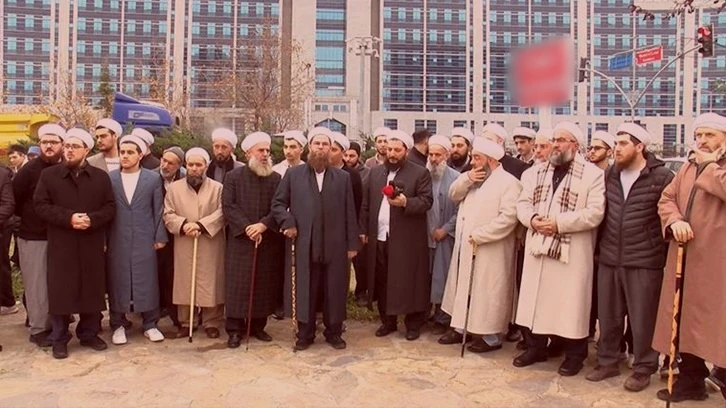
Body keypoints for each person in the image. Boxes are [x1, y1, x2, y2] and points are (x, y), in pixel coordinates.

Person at [585, 123, 674, 392]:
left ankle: (644, 368)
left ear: (639, 147)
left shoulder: (662, 177)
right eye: (616, 143)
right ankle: (608, 361)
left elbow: (669, 211)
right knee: (608, 316)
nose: (617, 148)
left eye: (623, 143)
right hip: (610, 257)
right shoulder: (610, 174)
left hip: (644, 260)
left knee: (643, 319)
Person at [513, 121, 605, 376]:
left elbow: (594, 213)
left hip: (571, 251)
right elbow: (522, 204)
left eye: (561, 140)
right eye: (554, 140)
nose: (555, 145)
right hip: (538, 246)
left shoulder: (593, 175)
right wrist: (533, 220)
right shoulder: (535, 172)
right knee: (537, 301)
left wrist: (558, 223)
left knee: (570, 306)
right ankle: (536, 348)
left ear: (575, 145)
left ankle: (575, 356)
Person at [654, 112, 726, 403]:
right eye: (699, 135)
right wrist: (673, 221)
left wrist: (709, 167)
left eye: (710, 135)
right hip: (685, 257)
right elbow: (667, 198)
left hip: (718, 261)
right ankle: (691, 381)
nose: (702, 141)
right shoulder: (687, 167)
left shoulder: (711, 166)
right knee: (684, 320)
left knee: (718, 323)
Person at [271, 127, 358, 351]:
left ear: (330, 148)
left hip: (335, 243)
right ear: (310, 147)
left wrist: (352, 244)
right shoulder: (294, 175)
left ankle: (334, 332)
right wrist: (288, 222)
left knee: (334, 289)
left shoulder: (342, 178)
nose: (321, 148)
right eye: (317, 143)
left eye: (325, 144)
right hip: (304, 242)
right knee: (305, 288)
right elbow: (278, 204)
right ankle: (305, 333)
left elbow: (350, 211)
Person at [34, 128, 116, 359]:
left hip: (91, 242)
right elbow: (40, 205)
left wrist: (92, 220)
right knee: (61, 291)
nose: (69, 151)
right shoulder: (49, 176)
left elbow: (110, 207)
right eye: (67, 146)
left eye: (74, 147)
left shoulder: (100, 177)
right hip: (62, 242)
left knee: (91, 289)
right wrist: (69, 218)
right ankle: (59, 338)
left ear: (86, 150)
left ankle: (89, 333)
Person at [440, 137, 521, 352]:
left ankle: (491, 336)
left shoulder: (509, 183)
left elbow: (509, 218)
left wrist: (481, 234)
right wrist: (467, 179)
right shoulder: (472, 177)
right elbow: (453, 195)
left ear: (491, 160)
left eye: (477, 158)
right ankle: (461, 328)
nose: (473, 162)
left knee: (489, 291)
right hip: (467, 245)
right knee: (464, 287)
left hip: (491, 247)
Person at [359, 130, 433, 341]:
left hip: (407, 239)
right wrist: (363, 230)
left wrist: (406, 202)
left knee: (409, 280)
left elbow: (427, 201)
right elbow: (365, 204)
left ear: (406, 151)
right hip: (380, 237)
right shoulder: (375, 173)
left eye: (396, 150)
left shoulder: (420, 173)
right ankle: (388, 321)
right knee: (382, 280)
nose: (391, 154)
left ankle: (413, 324)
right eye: (389, 149)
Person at [223, 132, 284, 348]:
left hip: (266, 239)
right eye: (261, 150)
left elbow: (279, 206)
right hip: (241, 240)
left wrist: (263, 225)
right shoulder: (233, 177)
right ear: (248, 153)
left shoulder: (276, 178)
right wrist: (247, 227)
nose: (265, 154)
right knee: (238, 285)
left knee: (263, 284)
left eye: (267, 150)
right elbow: (228, 205)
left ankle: (258, 326)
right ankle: (234, 330)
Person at [107, 135, 168, 345]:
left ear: (140, 155)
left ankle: (150, 323)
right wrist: (104, 239)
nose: (125, 156)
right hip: (117, 237)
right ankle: (118, 324)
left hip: (145, 236)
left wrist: (160, 236)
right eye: (122, 152)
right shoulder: (111, 178)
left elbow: (158, 209)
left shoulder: (152, 178)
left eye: (130, 152)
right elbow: (106, 209)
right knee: (118, 279)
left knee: (147, 279)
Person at [163, 148, 226, 339]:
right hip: (185, 240)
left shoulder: (217, 188)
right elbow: (168, 213)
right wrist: (184, 225)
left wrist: (201, 225)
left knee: (211, 279)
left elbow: (222, 212)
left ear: (206, 166)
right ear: (185, 166)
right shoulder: (174, 189)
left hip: (210, 240)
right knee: (184, 280)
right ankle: (186, 322)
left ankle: (211, 322)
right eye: (190, 164)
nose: (194, 168)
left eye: (198, 165)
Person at [12, 124, 65, 346]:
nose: (49, 146)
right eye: (44, 142)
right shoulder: (29, 171)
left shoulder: (66, 167)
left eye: (53, 142)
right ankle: (38, 329)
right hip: (33, 236)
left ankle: (57, 324)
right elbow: (15, 199)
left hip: (61, 235)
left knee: (57, 283)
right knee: (37, 286)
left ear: (62, 144)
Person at [424, 135, 459, 335]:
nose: (434, 159)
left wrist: (445, 229)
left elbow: (461, 210)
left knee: (443, 276)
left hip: (445, 236)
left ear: (447, 155)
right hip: (424, 235)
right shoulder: (423, 175)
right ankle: (423, 313)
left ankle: (442, 317)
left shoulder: (457, 178)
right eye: (431, 154)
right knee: (424, 276)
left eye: (438, 155)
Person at [156, 146, 185, 328]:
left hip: (177, 233)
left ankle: (176, 314)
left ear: (179, 166)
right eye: (164, 160)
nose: (165, 166)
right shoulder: (151, 177)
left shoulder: (185, 179)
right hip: (155, 234)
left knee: (174, 274)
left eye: (171, 163)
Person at [330, 132, 363, 214]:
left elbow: (357, 203)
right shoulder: (320, 171)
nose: (329, 153)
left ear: (343, 152)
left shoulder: (352, 175)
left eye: (333, 150)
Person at [0, 164, 15, 316]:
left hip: (2, 226)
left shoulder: (2, 174)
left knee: (1, 264)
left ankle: (7, 302)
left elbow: (8, 204)